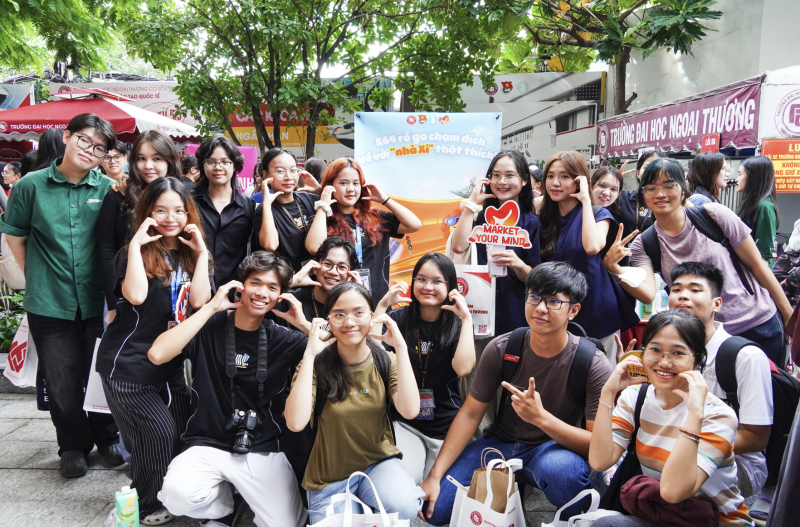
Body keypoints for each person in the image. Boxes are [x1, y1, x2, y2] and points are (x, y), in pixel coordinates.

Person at [420, 262, 613, 525]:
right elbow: (470, 414)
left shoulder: (592, 363)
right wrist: (433, 476)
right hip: (501, 443)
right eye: (534, 297)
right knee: (435, 510)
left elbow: (596, 444)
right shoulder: (503, 348)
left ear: (574, 311)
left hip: (553, 449)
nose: (540, 308)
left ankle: (582, 515)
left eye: (554, 301)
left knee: (562, 474)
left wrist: (541, 418)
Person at [0, 113, 122, 478]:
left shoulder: (107, 189)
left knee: (100, 373)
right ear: (67, 137)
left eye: (99, 148)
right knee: (60, 379)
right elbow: (16, 236)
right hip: (49, 301)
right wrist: (37, 277)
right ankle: (72, 444)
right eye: (85, 140)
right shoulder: (30, 186)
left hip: (97, 302)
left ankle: (106, 435)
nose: (90, 151)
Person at [151, 252, 311, 527]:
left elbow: (340, 355)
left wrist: (303, 325)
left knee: (286, 524)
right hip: (207, 441)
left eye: (272, 287)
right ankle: (224, 508)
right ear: (240, 286)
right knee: (177, 496)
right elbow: (157, 354)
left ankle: (244, 496)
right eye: (255, 283)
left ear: (280, 296)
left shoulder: (282, 338)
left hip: (262, 445)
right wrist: (210, 308)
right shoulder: (208, 326)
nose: (262, 293)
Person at [97, 177, 211, 525]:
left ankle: (167, 494)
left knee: (179, 431)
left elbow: (200, 301)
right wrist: (135, 245)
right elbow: (134, 296)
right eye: (161, 210)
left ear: (189, 213)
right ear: (147, 213)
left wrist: (202, 254)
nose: (170, 218)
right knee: (157, 433)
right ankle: (146, 504)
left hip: (170, 366)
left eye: (178, 210)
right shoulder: (133, 254)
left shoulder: (190, 254)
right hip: (128, 367)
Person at [607, 158, 792, 365]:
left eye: (669, 186)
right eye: (651, 188)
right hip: (704, 338)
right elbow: (648, 294)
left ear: (683, 190)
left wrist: (788, 316)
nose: (660, 194)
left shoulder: (715, 215)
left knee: (767, 386)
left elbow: (758, 265)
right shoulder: (644, 243)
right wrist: (614, 268)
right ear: (643, 194)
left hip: (758, 325)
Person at [588, 310, 754, 527]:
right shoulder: (635, 397)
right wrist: (608, 392)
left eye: (678, 353)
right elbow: (600, 461)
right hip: (664, 513)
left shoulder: (717, 415)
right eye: (655, 350)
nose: (665, 362)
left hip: (717, 521)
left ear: (699, 358)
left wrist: (694, 414)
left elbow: (673, 491)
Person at [285, 282, 424, 523]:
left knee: (405, 507)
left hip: (378, 463)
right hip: (329, 478)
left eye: (359, 313)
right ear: (328, 320)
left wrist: (400, 347)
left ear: (372, 317)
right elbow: (295, 423)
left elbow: (410, 410)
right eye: (339, 314)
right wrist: (309, 354)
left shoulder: (385, 360)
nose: (349, 322)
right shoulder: (316, 364)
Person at [667, 262, 772, 499]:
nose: (683, 295)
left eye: (695, 290)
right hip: (673, 447)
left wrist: (683, 443)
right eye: (676, 289)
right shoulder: (664, 354)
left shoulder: (745, 357)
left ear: (717, 303)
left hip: (738, 463)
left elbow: (756, 438)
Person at [374, 252, 475, 484]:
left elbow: (463, 368)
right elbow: (374, 353)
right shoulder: (399, 318)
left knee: (439, 493)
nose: (428, 286)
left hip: (446, 425)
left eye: (437, 281)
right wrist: (382, 305)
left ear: (450, 287)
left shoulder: (457, 324)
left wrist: (467, 320)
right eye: (421, 279)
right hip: (405, 422)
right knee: (406, 481)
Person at [538, 151, 638, 353]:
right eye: (550, 176)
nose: (555, 183)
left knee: (601, 371)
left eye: (564, 176)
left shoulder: (599, 214)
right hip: (557, 314)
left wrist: (585, 200)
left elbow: (592, 247)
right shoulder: (545, 218)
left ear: (579, 181)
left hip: (597, 313)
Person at [98, 131, 188, 323]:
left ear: (169, 161)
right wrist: (113, 303)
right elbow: (106, 251)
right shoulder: (118, 196)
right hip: (127, 293)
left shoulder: (183, 196)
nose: (148, 165)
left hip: (172, 294)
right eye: (141, 158)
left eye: (156, 158)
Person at [450, 150, 541, 336]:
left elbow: (536, 278)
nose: (502, 181)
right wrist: (471, 204)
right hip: (477, 307)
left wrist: (518, 264)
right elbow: (458, 247)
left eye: (510, 175)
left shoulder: (531, 223)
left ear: (524, 180)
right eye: (496, 175)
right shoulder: (479, 215)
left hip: (514, 312)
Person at [306, 157, 421, 302]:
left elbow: (414, 225)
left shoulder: (376, 217)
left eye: (356, 183)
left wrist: (384, 200)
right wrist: (323, 205)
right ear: (330, 186)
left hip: (378, 302)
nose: (351, 189)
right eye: (343, 183)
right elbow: (314, 248)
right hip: (340, 303)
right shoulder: (322, 219)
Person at [192, 136, 256, 287]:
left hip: (233, 290)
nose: (218, 167)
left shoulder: (248, 206)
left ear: (234, 166)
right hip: (194, 288)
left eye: (225, 162)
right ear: (203, 166)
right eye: (210, 162)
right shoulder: (189, 203)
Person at [255, 148, 318, 271]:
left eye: (293, 170)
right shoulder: (264, 210)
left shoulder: (311, 200)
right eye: (280, 171)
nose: (288, 177)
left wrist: (319, 189)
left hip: (316, 277)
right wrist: (266, 203)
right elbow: (270, 245)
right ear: (266, 175)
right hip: (286, 278)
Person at [279, 235, 361, 327]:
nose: (333, 272)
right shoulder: (291, 300)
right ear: (315, 268)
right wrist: (294, 280)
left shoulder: (355, 306)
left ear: (350, 275)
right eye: (327, 264)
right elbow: (266, 299)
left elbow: (369, 333)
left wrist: (361, 296)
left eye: (342, 267)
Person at [737, 156, 780, 266]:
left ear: (753, 177)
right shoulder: (747, 205)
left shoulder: (765, 207)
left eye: (740, 174)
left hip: (751, 273)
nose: (737, 179)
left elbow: (764, 257)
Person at [618, 150, 669, 234]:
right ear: (638, 173)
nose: (652, 171)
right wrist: (613, 182)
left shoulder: (670, 201)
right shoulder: (623, 198)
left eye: (658, 167)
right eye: (647, 167)